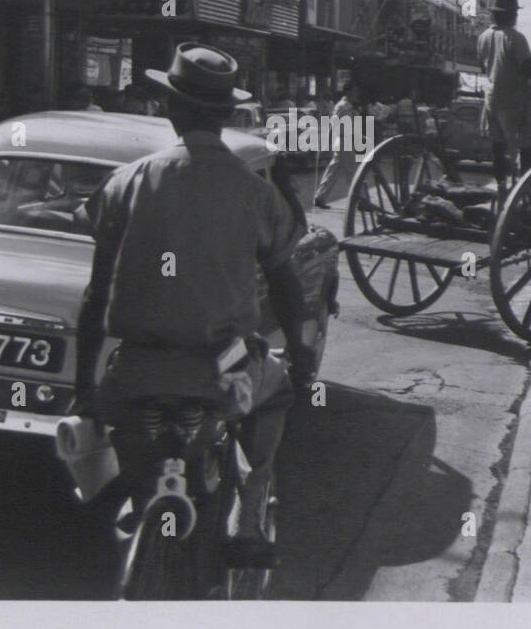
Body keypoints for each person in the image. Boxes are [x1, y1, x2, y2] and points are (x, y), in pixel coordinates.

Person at [74, 43, 315, 568]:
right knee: (275, 395)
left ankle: (143, 524)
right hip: (224, 368)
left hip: (134, 372)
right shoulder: (255, 193)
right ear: (229, 115)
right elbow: (284, 280)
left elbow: (95, 295)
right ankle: (248, 517)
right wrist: (300, 349)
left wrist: (83, 391)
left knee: (137, 474)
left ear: (169, 108)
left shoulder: (127, 181)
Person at [476, 0, 531, 196]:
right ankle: (526, 186)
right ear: (510, 15)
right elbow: (527, 68)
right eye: (514, 13)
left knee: (498, 145)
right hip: (513, 100)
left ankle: (500, 183)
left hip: (491, 99)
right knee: (526, 142)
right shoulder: (516, 38)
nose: (516, 17)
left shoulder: (483, 37)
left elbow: (481, 65)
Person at [313, 79, 364, 209]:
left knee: (333, 171)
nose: (357, 94)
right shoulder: (342, 106)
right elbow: (333, 124)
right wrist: (327, 142)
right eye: (355, 91)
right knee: (353, 172)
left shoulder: (350, 106)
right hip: (344, 141)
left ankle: (320, 197)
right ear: (349, 92)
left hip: (346, 140)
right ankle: (360, 201)